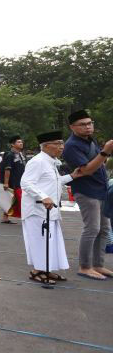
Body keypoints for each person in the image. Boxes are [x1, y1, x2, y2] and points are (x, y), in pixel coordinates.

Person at [21, 131, 83, 285]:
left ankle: (46, 269)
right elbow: (26, 183)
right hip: (37, 211)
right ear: (46, 146)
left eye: (61, 143)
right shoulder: (38, 161)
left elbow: (53, 182)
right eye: (57, 143)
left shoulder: (51, 162)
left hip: (49, 210)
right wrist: (43, 197)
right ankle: (37, 271)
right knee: (39, 241)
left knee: (50, 241)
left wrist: (72, 176)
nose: (61, 147)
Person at [63, 109, 113, 280]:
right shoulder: (71, 146)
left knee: (104, 229)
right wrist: (105, 152)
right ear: (72, 127)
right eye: (82, 124)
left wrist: (103, 154)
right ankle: (85, 266)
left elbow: (99, 163)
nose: (87, 127)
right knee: (92, 229)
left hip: (101, 189)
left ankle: (98, 265)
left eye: (90, 123)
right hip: (86, 190)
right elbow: (87, 170)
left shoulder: (89, 141)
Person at [0, 136, 27, 224]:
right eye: (18, 142)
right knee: (17, 199)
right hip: (13, 181)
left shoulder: (20, 154)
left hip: (20, 181)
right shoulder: (9, 155)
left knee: (12, 200)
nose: (21, 143)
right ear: (12, 144)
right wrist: (6, 183)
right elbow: (7, 169)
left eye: (21, 142)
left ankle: (5, 217)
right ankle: (26, 217)